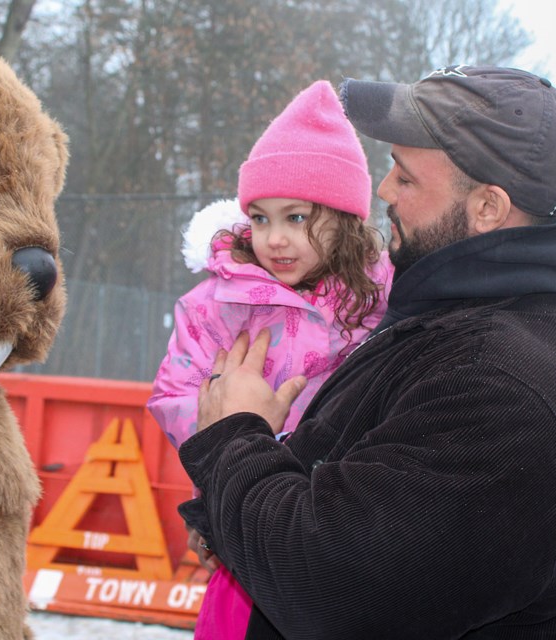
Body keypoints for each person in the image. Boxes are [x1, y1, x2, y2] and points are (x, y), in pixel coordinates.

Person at [176, 65, 556, 639]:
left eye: (407, 176)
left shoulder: (503, 382)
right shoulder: (454, 322)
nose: (385, 190)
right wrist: (228, 511)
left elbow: (330, 590)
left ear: (488, 207)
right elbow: (348, 477)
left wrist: (233, 442)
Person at [147, 80, 393, 639]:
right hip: (244, 509)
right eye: (259, 218)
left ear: (345, 216)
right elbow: (176, 394)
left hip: (343, 519)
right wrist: (233, 450)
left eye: (297, 218)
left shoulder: (385, 297)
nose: (275, 239)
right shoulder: (221, 300)